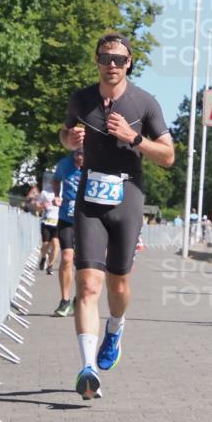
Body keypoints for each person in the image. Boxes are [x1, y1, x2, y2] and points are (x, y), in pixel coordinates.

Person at [59, 32, 175, 400]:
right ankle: (87, 367)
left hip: (127, 195)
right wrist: (69, 141)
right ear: (96, 60)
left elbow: (169, 157)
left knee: (118, 285)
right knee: (88, 285)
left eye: (119, 59)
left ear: (129, 64)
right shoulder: (81, 99)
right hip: (89, 197)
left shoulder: (145, 104)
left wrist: (134, 138)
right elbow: (64, 133)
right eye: (105, 58)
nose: (112, 64)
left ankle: (116, 327)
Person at [51, 150, 84, 316]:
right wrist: (56, 196)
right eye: (77, 154)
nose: (79, 158)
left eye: (83, 155)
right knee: (66, 258)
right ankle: (64, 300)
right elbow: (56, 180)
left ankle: (80, 297)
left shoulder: (95, 165)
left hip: (87, 221)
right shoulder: (64, 164)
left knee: (83, 263)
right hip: (66, 218)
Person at [38, 185, 60, 274]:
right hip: (47, 222)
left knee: (55, 244)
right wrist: (42, 205)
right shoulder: (45, 192)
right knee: (45, 244)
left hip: (58, 222)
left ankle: (50, 266)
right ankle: (43, 257)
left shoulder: (63, 190)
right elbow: (37, 205)